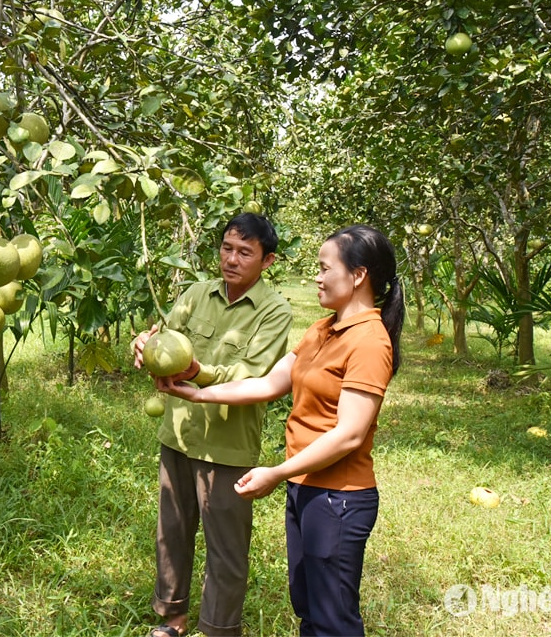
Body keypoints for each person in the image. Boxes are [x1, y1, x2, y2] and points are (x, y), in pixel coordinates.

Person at [161, 224, 405, 637]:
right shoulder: (323, 330)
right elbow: (267, 384)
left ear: (358, 275)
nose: (317, 277)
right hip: (307, 488)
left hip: (338, 499)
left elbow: (349, 434)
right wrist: (196, 392)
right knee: (309, 606)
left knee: (333, 618)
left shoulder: (369, 341)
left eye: (326, 269)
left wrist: (277, 472)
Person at [133, 213, 293, 637]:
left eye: (245, 252)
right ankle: (173, 619)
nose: (232, 259)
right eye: (227, 248)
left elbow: (254, 374)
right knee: (172, 531)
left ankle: (219, 630)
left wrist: (197, 370)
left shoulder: (274, 312)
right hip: (178, 434)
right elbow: (166, 337)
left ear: (267, 261)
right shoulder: (195, 293)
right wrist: (146, 345)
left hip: (227, 446)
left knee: (226, 547)